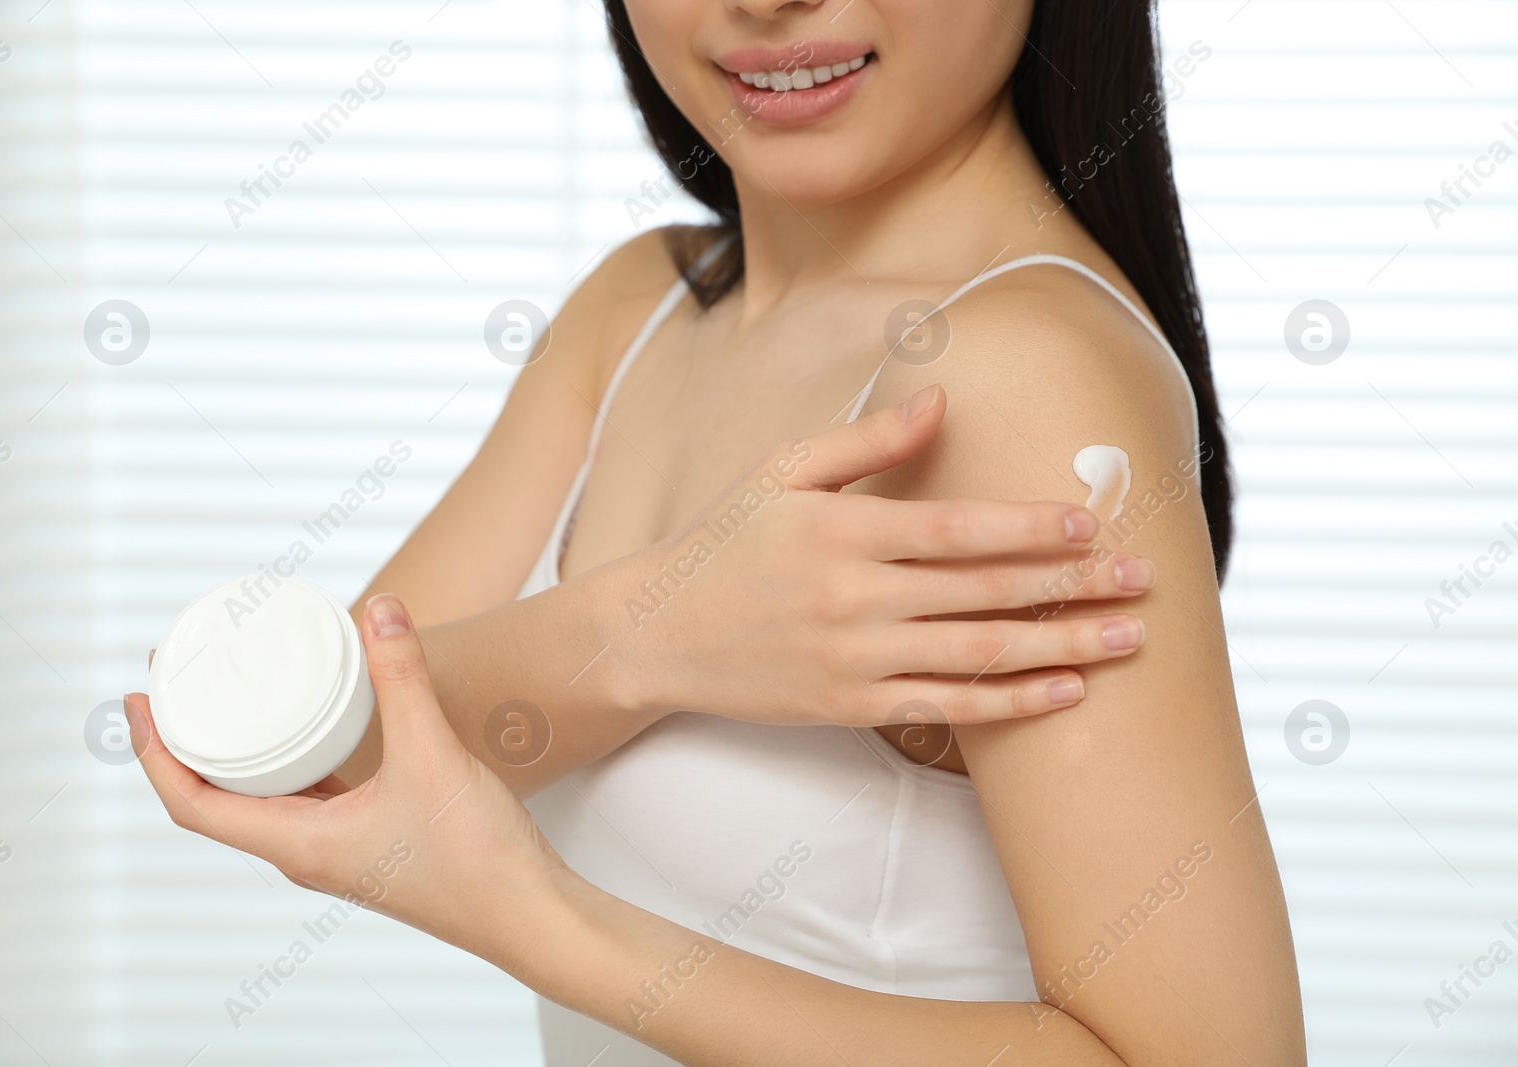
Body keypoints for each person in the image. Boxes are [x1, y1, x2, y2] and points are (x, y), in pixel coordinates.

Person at [129, 0, 1306, 1061]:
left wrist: (545, 923)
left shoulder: (1016, 375)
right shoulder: (641, 309)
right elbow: (324, 750)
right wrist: (656, 631)